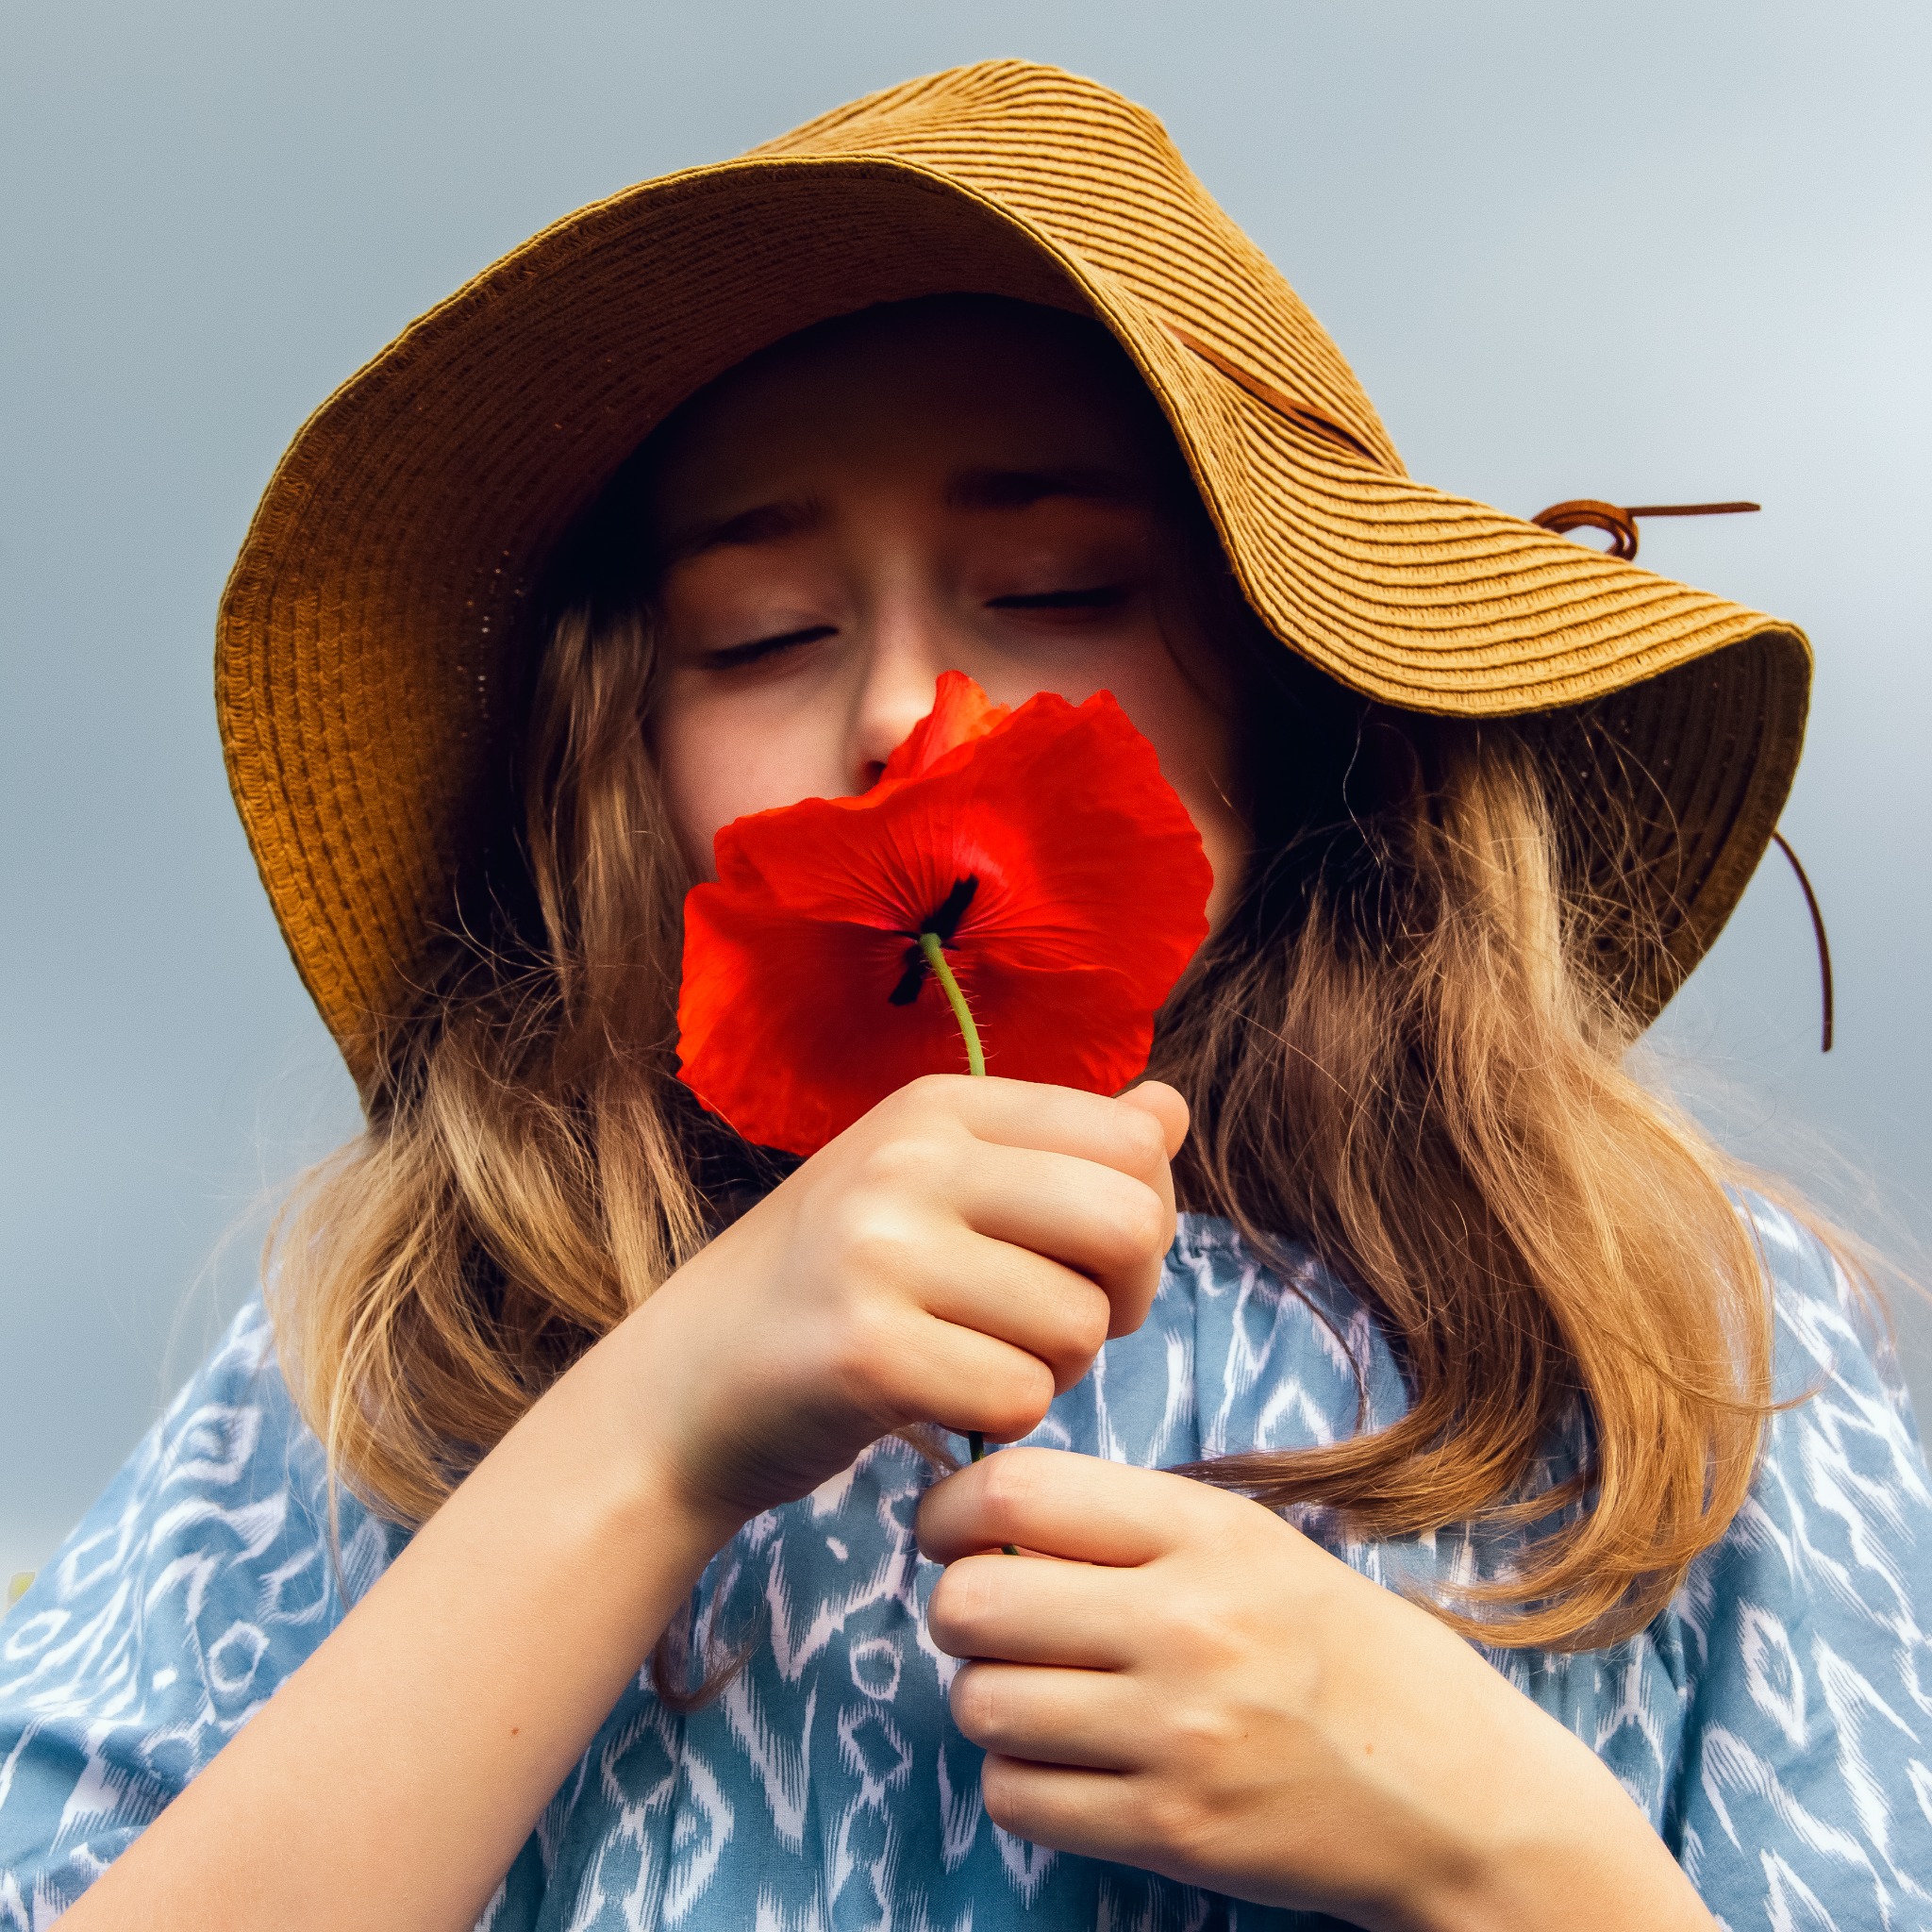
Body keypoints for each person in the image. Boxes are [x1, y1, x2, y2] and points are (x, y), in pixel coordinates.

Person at [2, 60, 1926, 1932]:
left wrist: (1508, 1857)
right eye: (762, 636)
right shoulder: (395, 1376)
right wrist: (647, 1433)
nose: (903, 711)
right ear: (620, 755)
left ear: (1290, 680)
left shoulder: (1679, 1346)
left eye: (1059, 587)